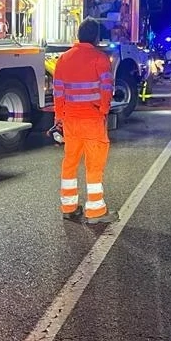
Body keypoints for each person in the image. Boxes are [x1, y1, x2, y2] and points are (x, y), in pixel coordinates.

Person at [53, 17, 118, 224]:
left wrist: (59, 118)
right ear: (96, 37)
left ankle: (69, 207)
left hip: (71, 120)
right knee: (94, 165)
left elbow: (58, 92)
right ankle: (95, 210)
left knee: (70, 163)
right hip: (92, 119)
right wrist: (104, 110)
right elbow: (106, 89)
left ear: (78, 36)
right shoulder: (100, 59)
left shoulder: (64, 58)